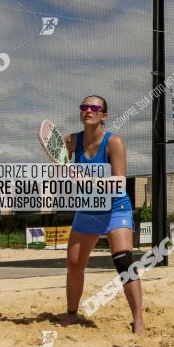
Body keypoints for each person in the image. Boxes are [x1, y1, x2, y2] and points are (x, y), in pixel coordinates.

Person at [62, 95, 143, 333]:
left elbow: (119, 182)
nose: (88, 110)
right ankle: (71, 314)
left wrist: (85, 180)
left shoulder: (113, 142)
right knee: (74, 264)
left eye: (94, 107)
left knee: (124, 261)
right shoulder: (70, 142)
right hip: (87, 208)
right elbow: (64, 176)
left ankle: (138, 320)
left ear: (104, 115)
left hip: (115, 208)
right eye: (84, 107)